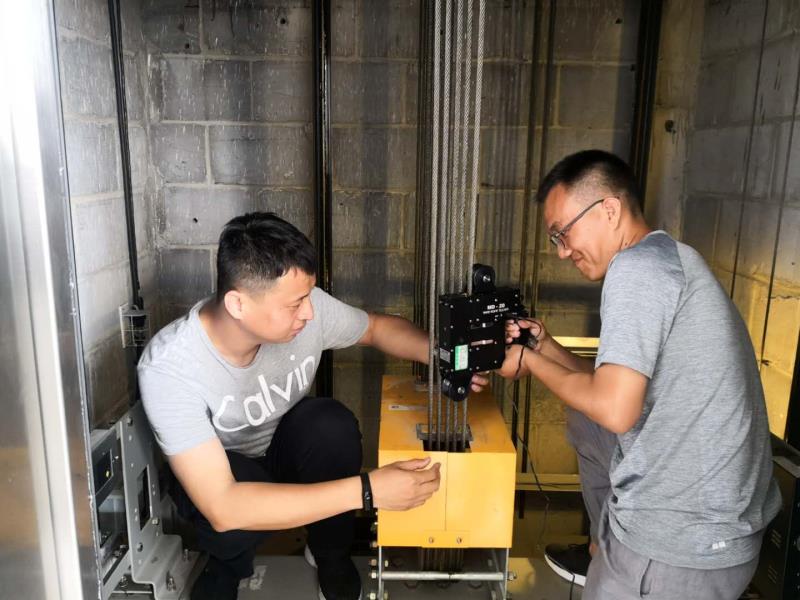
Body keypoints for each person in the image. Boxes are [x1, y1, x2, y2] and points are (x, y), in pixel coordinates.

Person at [138, 212, 486, 600]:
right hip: (224, 475)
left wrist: (445, 357)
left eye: (308, 297)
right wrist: (368, 492)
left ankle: (330, 555)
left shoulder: (307, 308)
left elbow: (374, 328)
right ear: (238, 304)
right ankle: (226, 567)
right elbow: (224, 504)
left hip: (283, 449)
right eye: (295, 304)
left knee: (330, 427)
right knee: (230, 520)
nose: (309, 312)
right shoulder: (169, 368)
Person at [499, 150, 781, 599]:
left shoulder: (637, 270)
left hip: (681, 541)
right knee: (583, 418)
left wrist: (528, 363)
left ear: (609, 210)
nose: (561, 251)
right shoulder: (669, 258)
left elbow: (615, 409)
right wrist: (544, 348)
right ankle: (603, 543)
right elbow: (609, 394)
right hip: (718, 525)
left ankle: (617, 554)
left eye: (563, 233)